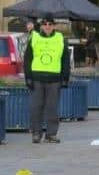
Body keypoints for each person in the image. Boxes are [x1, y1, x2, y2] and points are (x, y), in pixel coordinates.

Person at [24, 15, 71, 144]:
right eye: (45, 24)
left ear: (54, 26)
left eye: (50, 24)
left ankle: (51, 134)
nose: (47, 26)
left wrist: (65, 77)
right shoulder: (34, 37)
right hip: (36, 78)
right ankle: (36, 134)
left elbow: (65, 60)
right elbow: (27, 59)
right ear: (41, 26)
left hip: (54, 79)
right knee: (36, 107)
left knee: (52, 108)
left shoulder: (60, 38)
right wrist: (28, 77)